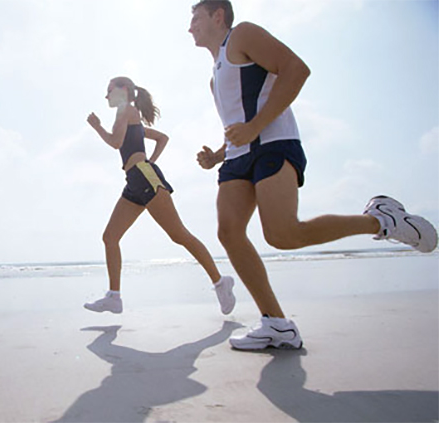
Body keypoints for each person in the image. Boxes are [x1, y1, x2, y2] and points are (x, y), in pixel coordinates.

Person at [188, 0, 438, 350]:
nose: (190, 27)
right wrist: (216, 155)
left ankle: (382, 220)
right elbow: (237, 123)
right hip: (237, 158)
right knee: (229, 233)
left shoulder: (242, 35)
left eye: (195, 18)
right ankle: (276, 323)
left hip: (273, 144)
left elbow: (296, 69)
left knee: (283, 234)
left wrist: (255, 127)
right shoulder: (213, 77)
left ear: (218, 16)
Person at [84, 76, 235, 315]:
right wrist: (149, 162)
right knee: (110, 236)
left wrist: (97, 126)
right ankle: (114, 297)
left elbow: (115, 142)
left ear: (123, 90)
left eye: (109, 90)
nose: (106, 96)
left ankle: (220, 282)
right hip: (135, 180)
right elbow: (162, 138)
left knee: (179, 234)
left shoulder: (125, 110)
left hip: (144, 177)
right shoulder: (131, 115)